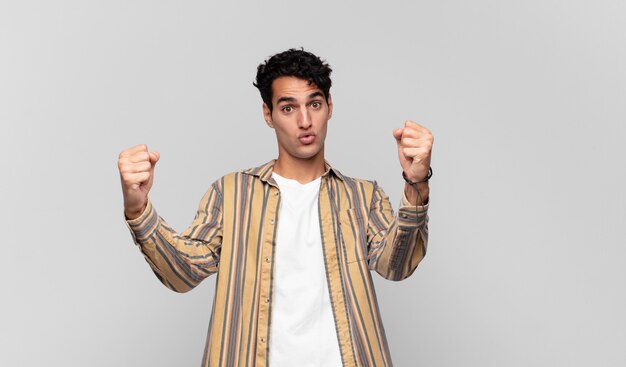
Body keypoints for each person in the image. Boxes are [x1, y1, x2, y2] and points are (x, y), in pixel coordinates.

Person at [118, 48, 433, 367]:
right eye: (288, 108)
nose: (305, 120)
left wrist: (416, 184)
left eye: (314, 103)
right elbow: (182, 273)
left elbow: (396, 265)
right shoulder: (232, 193)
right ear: (268, 115)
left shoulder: (363, 196)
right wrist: (138, 208)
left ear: (330, 107)